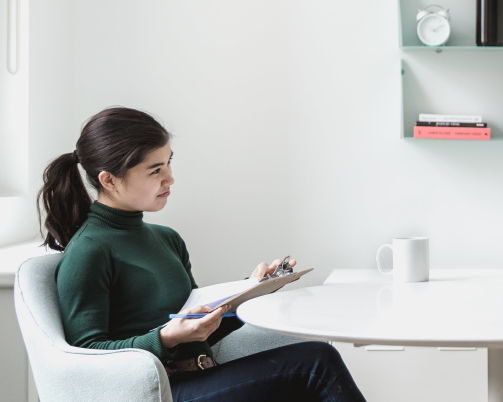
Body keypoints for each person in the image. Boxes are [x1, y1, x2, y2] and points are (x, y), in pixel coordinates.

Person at [38, 107, 367, 402]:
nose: (170, 178)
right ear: (108, 180)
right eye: (155, 171)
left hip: (202, 375)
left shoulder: (167, 239)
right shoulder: (88, 251)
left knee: (314, 360)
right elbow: (86, 355)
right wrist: (164, 339)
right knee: (315, 365)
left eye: (169, 162)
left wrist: (250, 292)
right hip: (162, 392)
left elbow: (199, 332)